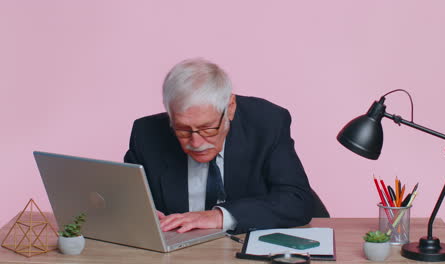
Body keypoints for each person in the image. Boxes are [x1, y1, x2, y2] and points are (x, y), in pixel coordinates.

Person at [124, 58, 329, 234]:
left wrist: (219, 216)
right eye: (183, 130)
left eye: (208, 128)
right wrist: (142, 214)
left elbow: (297, 201)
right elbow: (126, 202)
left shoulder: (267, 123)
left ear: (230, 108)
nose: (196, 142)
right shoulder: (146, 133)